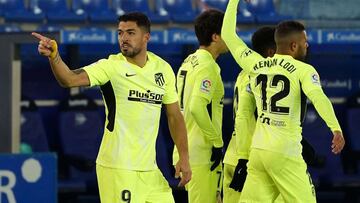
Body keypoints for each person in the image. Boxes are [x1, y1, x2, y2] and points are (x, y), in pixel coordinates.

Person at [32, 12, 191, 203]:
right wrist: (54, 56)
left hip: (150, 170)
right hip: (118, 168)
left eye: (130, 33)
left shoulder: (163, 69)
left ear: (146, 37)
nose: (124, 38)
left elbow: (174, 115)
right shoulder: (110, 67)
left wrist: (184, 156)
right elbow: (69, 79)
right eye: (120, 33)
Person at [222, 0, 345, 202]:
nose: (307, 45)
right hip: (285, 152)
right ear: (293, 45)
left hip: (259, 152)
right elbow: (319, 98)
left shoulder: (257, 64)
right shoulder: (303, 70)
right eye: (304, 41)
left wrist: (234, 1)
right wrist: (336, 129)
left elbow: (228, 34)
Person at [222, 26, 317, 203]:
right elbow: (258, 116)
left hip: (236, 155)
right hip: (255, 157)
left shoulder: (246, 74)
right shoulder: (262, 77)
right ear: (272, 52)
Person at [173, 9, 228, 203]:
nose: (233, 37)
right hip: (202, 152)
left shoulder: (189, 61)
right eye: (228, 32)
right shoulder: (208, 66)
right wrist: (217, 143)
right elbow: (197, 107)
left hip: (185, 148)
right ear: (216, 36)